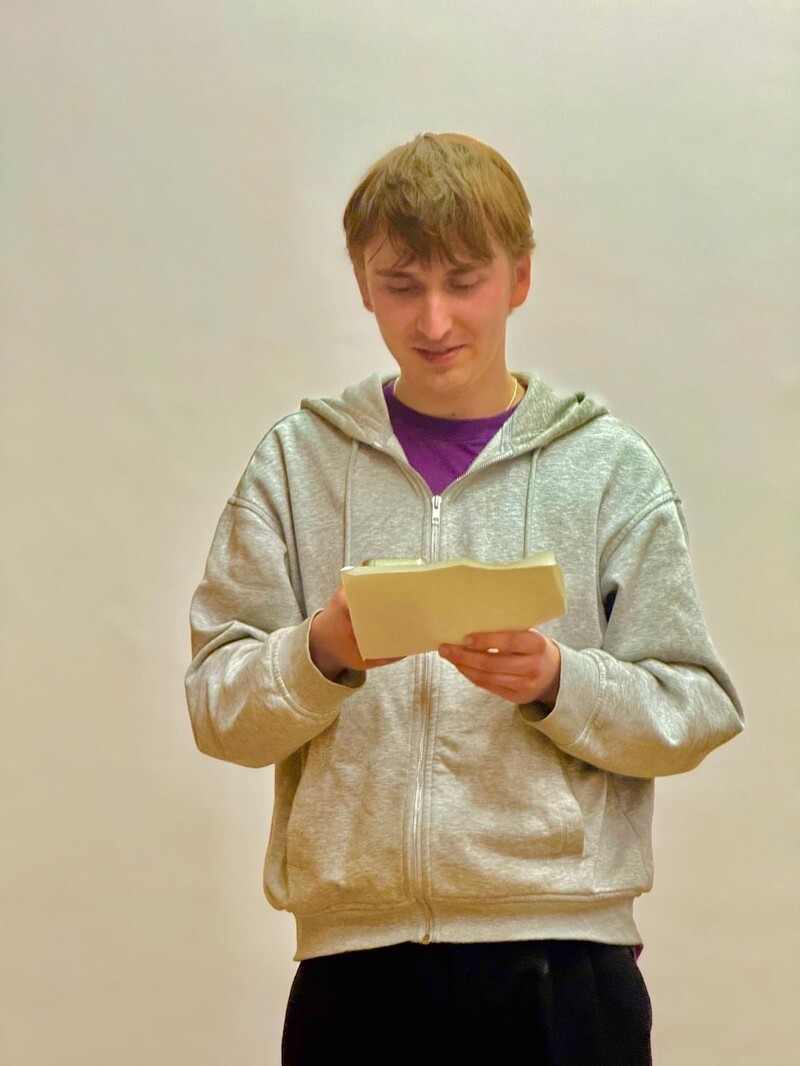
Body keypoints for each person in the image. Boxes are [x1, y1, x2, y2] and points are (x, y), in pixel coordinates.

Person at [185, 133, 743, 1065]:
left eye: (464, 282)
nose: (435, 319)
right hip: (353, 974)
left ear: (519, 278)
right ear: (363, 287)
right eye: (402, 285)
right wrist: (322, 653)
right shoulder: (294, 464)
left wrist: (558, 680)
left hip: (564, 969)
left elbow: (695, 708)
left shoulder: (610, 469)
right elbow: (217, 711)